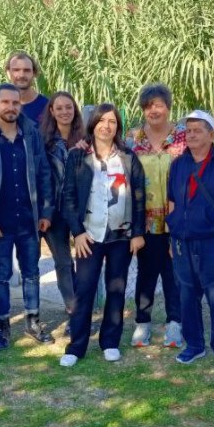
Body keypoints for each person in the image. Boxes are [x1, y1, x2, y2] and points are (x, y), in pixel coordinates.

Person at [126, 83, 214, 348]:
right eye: (148, 106)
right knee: (146, 272)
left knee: (175, 274)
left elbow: (207, 151)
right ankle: (143, 321)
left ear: (168, 107)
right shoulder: (133, 138)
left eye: (159, 105)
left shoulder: (184, 136)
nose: (153, 110)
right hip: (145, 220)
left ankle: (175, 322)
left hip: (180, 219)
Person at [59, 103, 146, 367]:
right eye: (101, 120)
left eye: (112, 121)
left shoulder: (128, 158)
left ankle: (110, 342)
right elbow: (68, 197)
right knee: (84, 291)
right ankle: (76, 347)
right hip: (89, 236)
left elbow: (139, 197)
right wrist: (78, 232)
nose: (106, 126)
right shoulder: (78, 156)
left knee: (116, 289)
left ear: (117, 126)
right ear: (93, 124)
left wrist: (137, 233)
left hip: (121, 235)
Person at [0, 83, 54, 349]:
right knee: (0, 276)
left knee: (31, 273)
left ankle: (33, 322)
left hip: (29, 220)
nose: (11, 107)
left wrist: (45, 211)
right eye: (5, 102)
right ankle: (3, 328)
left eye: (15, 103)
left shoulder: (31, 134)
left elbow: (43, 173)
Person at [166, 110, 214, 370]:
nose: (191, 135)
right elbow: (172, 202)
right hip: (183, 243)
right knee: (187, 297)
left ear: (212, 135)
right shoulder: (178, 165)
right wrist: (172, 237)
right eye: (188, 130)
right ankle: (195, 346)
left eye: (198, 130)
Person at [37, 91, 85, 333]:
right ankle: (73, 311)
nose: (65, 111)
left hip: (80, 210)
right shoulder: (43, 140)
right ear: (52, 111)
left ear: (75, 110)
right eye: (60, 108)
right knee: (63, 262)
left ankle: (84, 309)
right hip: (53, 211)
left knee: (85, 262)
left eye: (69, 107)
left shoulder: (85, 139)